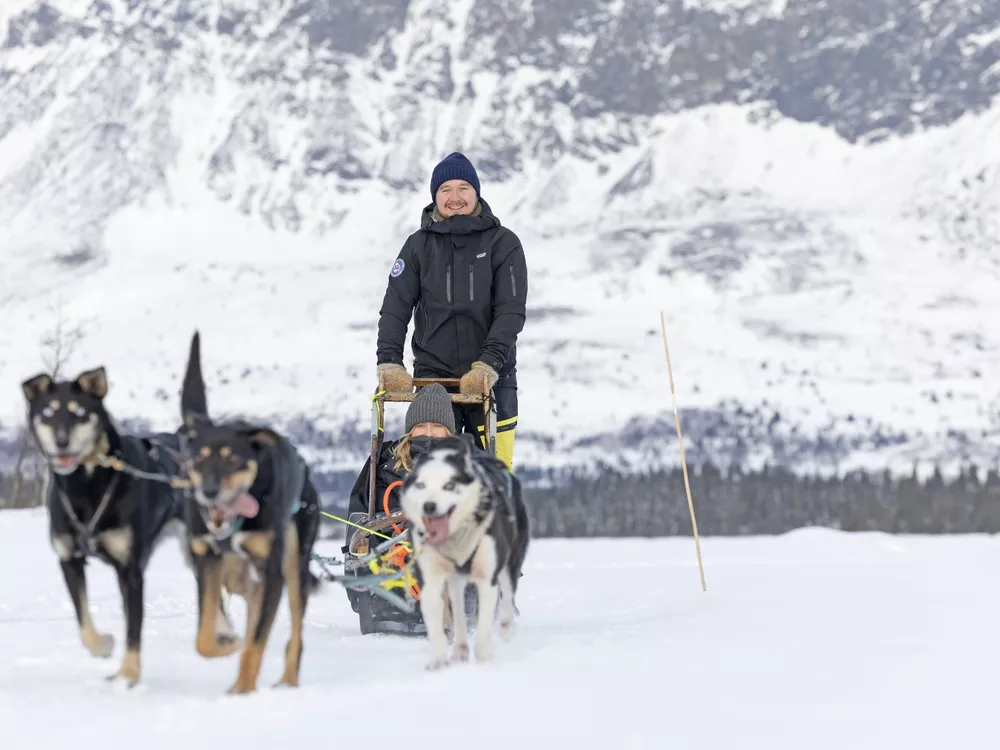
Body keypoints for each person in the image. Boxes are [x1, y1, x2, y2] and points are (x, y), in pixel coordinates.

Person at [375, 152, 527, 473]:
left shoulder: (504, 244)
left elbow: (510, 312)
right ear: (435, 197)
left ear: (476, 193)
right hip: (434, 379)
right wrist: (389, 362)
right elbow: (395, 307)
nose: (455, 198)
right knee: (431, 473)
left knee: (495, 476)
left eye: (463, 188)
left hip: (493, 379)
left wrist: (487, 365)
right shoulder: (417, 247)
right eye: (445, 190)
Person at [343, 383, 455, 614]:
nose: (429, 432)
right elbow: (358, 518)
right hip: (392, 554)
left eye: (437, 426)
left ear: (449, 431)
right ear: (410, 430)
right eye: (421, 425)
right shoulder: (385, 462)